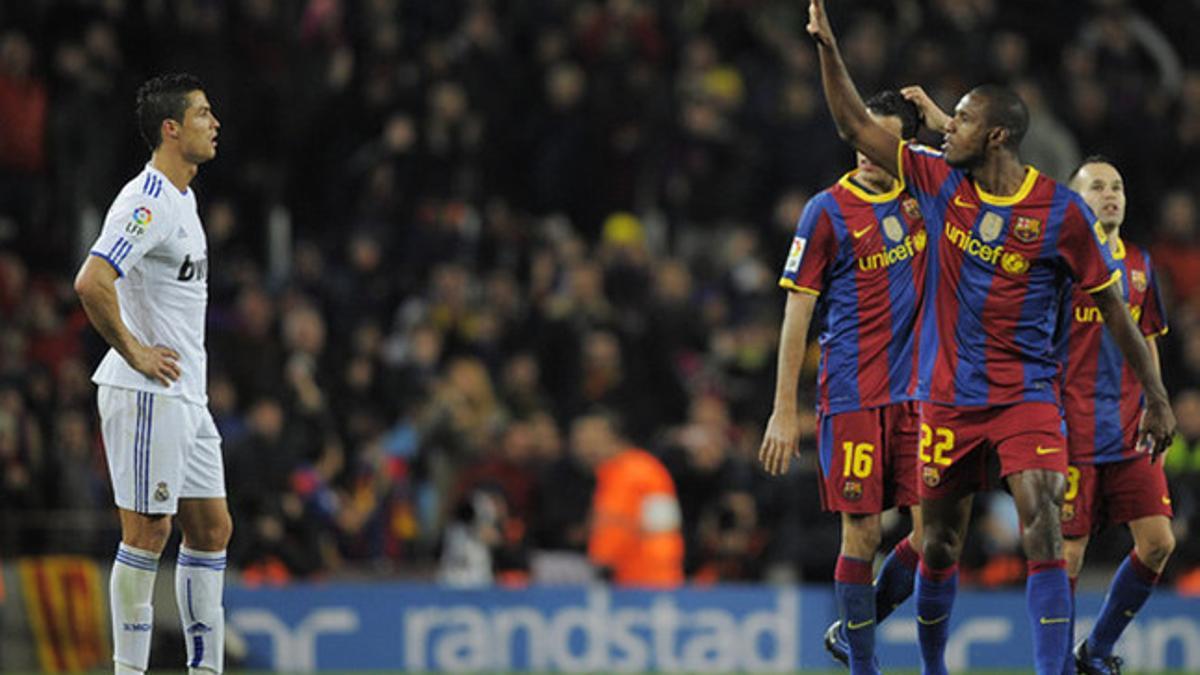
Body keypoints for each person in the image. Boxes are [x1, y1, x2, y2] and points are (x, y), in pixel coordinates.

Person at [804, 3, 1176, 675]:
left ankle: (1053, 670)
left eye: (965, 120)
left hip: (1026, 395)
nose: (948, 127)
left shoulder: (1059, 212)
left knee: (1041, 518)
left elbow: (1114, 307)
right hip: (947, 397)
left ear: (997, 135)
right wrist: (830, 51)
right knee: (939, 545)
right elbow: (852, 122)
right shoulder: (939, 180)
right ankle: (933, 667)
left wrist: (1156, 394)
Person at [758, 90, 926, 674]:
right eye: (859, 139)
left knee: (936, 538)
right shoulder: (825, 210)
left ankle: (858, 626)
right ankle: (863, 667)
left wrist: (935, 114)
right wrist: (784, 409)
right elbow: (796, 316)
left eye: (879, 142)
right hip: (853, 394)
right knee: (861, 535)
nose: (865, 151)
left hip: (919, 398)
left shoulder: (925, 196)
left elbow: (988, 158)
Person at [74, 73, 228, 675]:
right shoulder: (149, 201)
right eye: (203, 113)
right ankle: (129, 670)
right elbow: (92, 280)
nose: (214, 124)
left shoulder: (184, 199)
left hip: (188, 395)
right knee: (148, 533)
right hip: (146, 392)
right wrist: (136, 350)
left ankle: (204, 668)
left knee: (211, 528)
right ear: (172, 128)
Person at [1058, 157, 1174, 675]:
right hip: (1071, 427)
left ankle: (1096, 648)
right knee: (1068, 555)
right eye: (1097, 186)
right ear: (1075, 200)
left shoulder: (1140, 264)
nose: (1110, 194)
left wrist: (1159, 402)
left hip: (1131, 426)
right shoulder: (1060, 263)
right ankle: (1055, 662)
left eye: (1117, 187)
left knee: (1157, 544)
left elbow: (1147, 341)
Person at [573, 410, 685, 587]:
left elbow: (663, 529)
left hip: (645, 581)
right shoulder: (614, 474)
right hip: (631, 579)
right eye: (579, 444)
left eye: (590, 442)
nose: (583, 451)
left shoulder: (639, 473)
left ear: (614, 439)